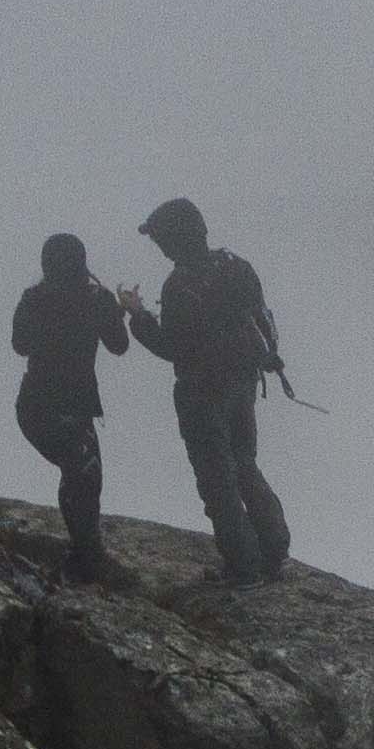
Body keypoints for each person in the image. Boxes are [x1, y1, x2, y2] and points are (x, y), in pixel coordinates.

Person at [124, 195, 291, 584]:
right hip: (244, 381)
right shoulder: (235, 265)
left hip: (202, 392)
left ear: (173, 241)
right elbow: (263, 318)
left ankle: (243, 566)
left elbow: (172, 347)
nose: (160, 247)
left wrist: (138, 316)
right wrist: (267, 357)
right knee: (245, 463)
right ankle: (274, 551)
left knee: (218, 478)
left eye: (161, 239)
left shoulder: (181, 286)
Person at [5, 231, 132, 581]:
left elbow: (20, 344)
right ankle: (87, 558)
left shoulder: (33, 298)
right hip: (74, 407)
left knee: (78, 473)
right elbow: (119, 345)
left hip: (35, 405)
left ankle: (82, 555)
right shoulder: (97, 298)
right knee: (85, 475)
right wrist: (117, 311)